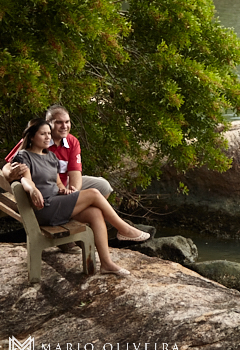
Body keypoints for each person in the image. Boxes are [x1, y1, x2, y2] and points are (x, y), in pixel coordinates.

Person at [12, 118, 150, 276]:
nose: (47, 137)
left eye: (49, 134)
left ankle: (107, 264)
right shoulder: (24, 156)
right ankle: (123, 228)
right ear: (31, 137)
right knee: (93, 193)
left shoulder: (51, 157)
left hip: (56, 204)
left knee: (95, 213)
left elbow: (57, 183)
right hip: (43, 208)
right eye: (42, 134)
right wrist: (32, 190)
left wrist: (64, 190)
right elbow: (25, 179)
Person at [3, 104, 113, 198]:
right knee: (93, 199)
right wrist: (10, 174)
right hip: (44, 186)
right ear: (48, 123)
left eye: (67, 122)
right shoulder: (35, 139)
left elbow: (75, 173)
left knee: (104, 186)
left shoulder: (72, 141)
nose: (64, 126)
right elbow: (9, 165)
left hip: (62, 184)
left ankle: (74, 213)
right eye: (59, 122)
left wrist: (73, 192)